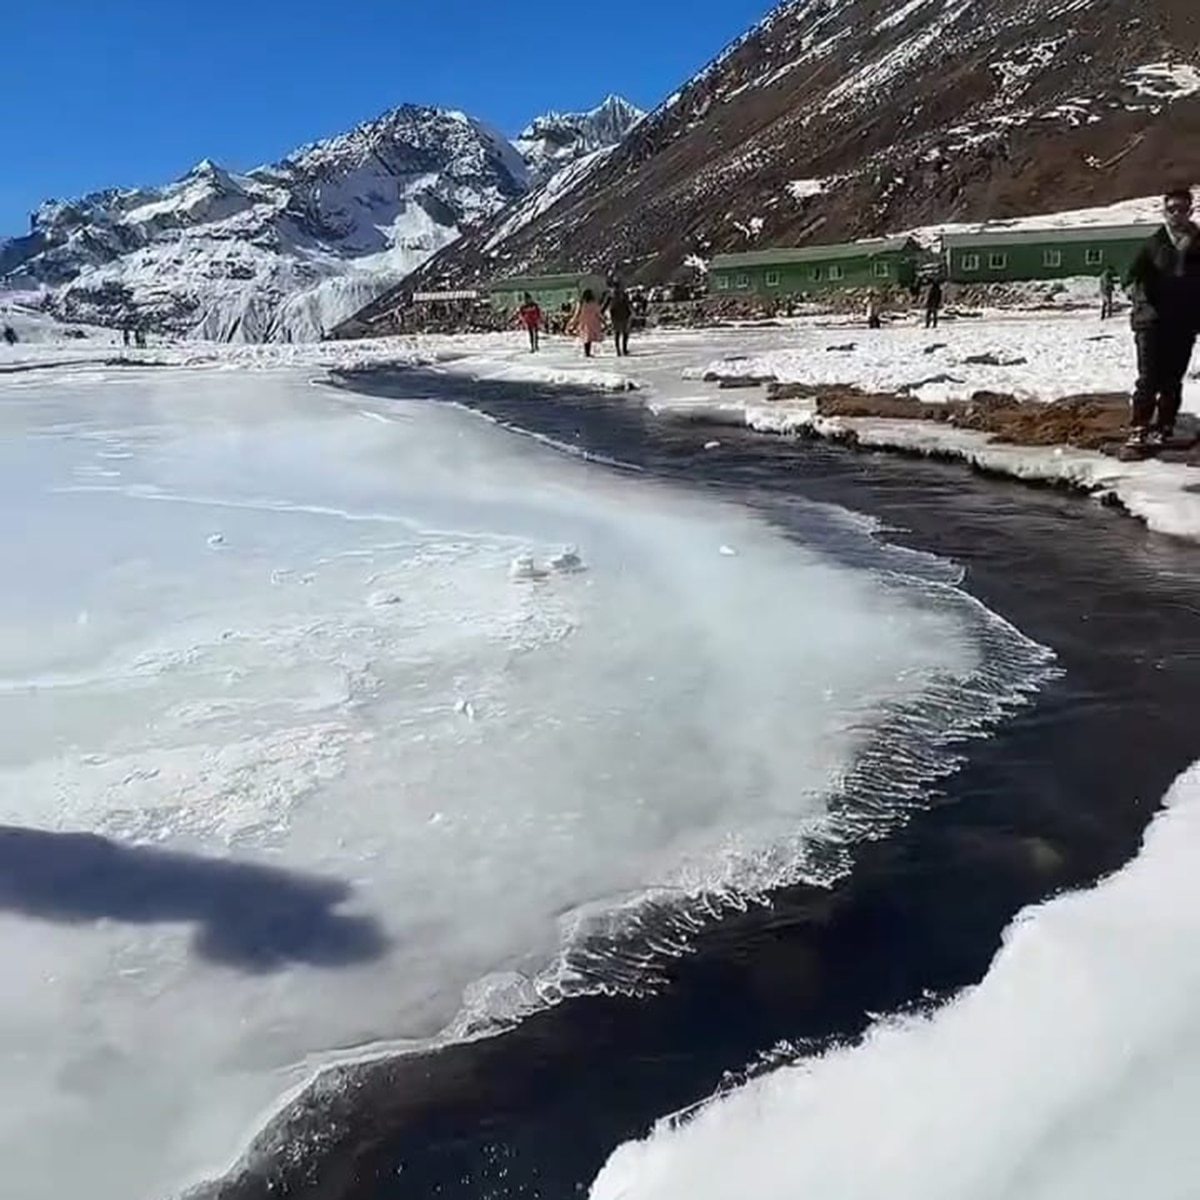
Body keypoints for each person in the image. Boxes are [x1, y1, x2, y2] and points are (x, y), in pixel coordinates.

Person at [1124, 186, 1200, 449]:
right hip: (1152, 320)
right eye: (1172, 209)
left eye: (1182, 209)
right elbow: (1129, 276)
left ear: (1190, 210)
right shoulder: (1153, 244)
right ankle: (1139, 426)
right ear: (1164, 212)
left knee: (1172, 379)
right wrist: (1135, 295)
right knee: (1148, 377)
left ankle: (1165, 426)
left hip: (1184, 321)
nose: (1177, 214)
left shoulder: (1199, 242)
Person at [572, 288, 604, 358]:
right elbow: (598, 312)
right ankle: (589, 352)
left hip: (584, 321)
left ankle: (587, 352)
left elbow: (577, 313)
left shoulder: (581, 303)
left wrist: (573, 321)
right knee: (590, 337)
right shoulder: (594, 303)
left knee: (586, 337)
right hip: (593, 321)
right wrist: (602, 320)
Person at [607, 281, 633, 356]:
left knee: (617, 333)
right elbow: (628, 304)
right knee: (624, 333)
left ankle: (618, 350)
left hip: (615, 316)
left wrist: (600, 313)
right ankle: (623, 350)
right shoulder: (623, 294)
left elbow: (605, 305)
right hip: (624, 315)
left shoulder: (611, 295)